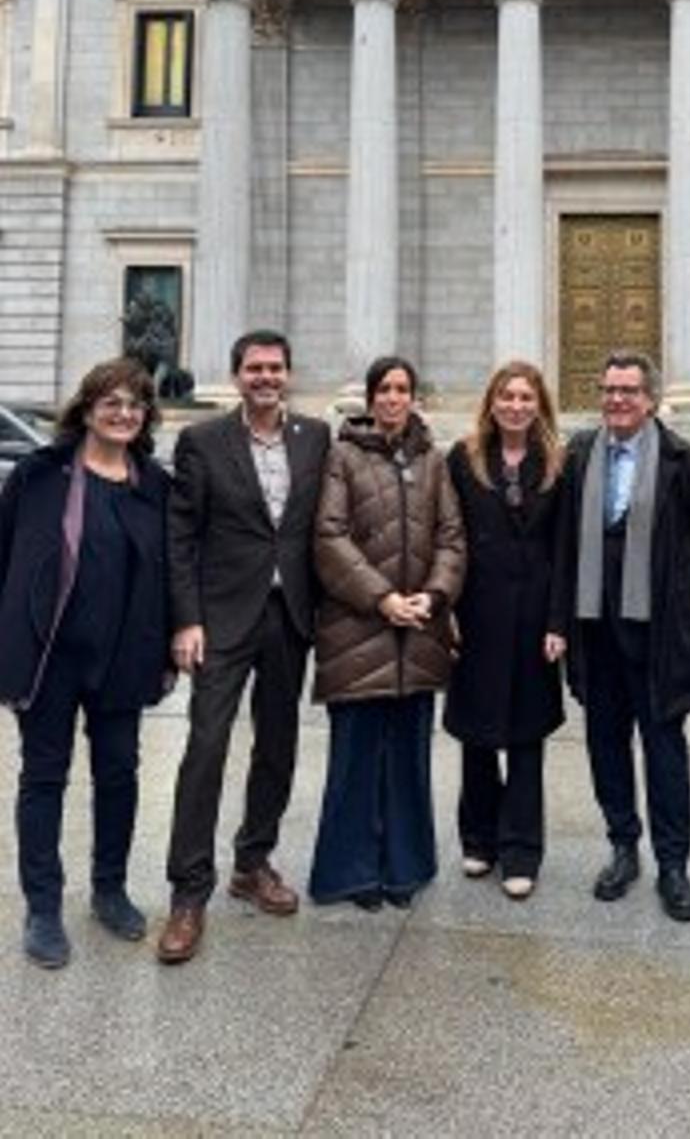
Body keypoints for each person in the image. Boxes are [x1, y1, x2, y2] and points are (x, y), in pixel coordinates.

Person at [157, 330, 330, 964]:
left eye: (275, 368)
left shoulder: (315, 438)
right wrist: (185, 619)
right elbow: (182, 537)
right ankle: (188, 893)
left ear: (288, 374)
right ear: (236, 376)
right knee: (206, 746)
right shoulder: (203, 440)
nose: (266, 377)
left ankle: (252, 862)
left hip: (289, 617)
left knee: (278, 745)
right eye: (255, 368)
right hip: (222, 620)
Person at [0, 358, 171, 968]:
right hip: (50, 657)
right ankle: (43, 908)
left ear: (146, 416)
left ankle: (109, 889)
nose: (124, 413)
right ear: (88, 407)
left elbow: (169, 571)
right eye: (112, 402)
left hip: (125, 655)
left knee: (119, 776)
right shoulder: (40, 474)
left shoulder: (154, 484)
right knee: (43, 778)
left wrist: (177, 634)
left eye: (135, 404)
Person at [549, 350, 690, 923]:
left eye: (628, 390)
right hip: (596, 628)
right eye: (608, 390)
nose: (616, 400)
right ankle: (623, 846)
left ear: (650, 398)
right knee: (606, 743)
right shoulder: (578, 457)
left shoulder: (686, 461)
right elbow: (566, 541)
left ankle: (673, 863)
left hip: (659, 634)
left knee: (665, 748)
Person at [310, 355, 464, 908]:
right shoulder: (342, 456)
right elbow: (329, 537)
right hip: (358, 630)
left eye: (403, 389)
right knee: (354, 760)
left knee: (408, 759)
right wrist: (382, 598)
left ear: (414, 398)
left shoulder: (434, 462)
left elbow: (452, 538)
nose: (394, 398)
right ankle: (351, 873)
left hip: (418, 634)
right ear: (371, 399)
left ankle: (404, 869)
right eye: (385, 389)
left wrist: (435, 594)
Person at [445, 361, 564, 899]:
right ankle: (478, 838)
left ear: (539, 405)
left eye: (525, 397)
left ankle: (521, 849)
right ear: (491, 402)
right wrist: (445, 606)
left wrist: (559, 621)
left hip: (535, 618)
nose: (516, 405)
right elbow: (449, 537)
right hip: (478, 612)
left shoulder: (561, 463)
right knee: (476, 732)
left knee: (526, 736)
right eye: (506, 396)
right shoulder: (462, 459)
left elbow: (566, 548)